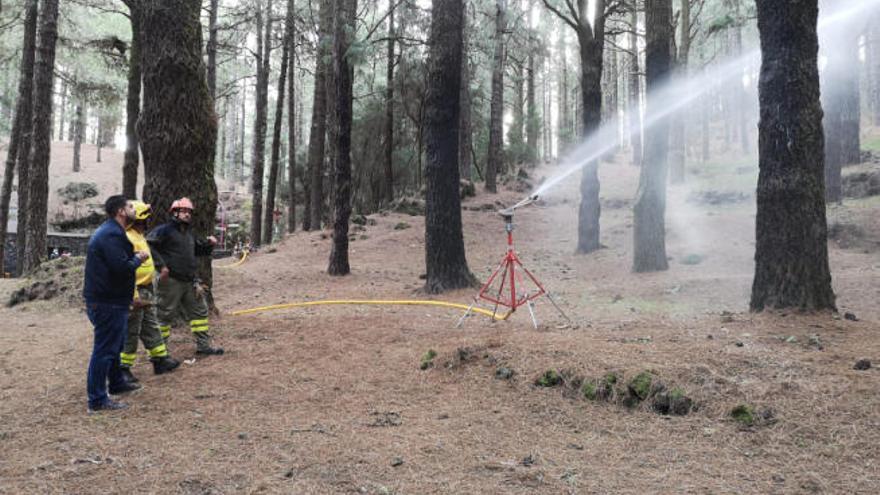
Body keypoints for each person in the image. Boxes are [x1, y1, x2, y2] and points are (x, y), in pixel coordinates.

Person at [83, 195, 149, 413]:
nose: (133, 209)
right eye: (130, 206)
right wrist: (139, 258)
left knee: (115, 346)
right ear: (121, 211)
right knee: (104, 350)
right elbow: (121, 268)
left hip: (112, 300)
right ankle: (97, 400)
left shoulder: (113, 231)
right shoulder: (111, 234)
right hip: (106, 303)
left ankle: (117, 383)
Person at [148, 197, 225, 355]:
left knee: (200, 312)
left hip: (189, 281)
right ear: (174, 213)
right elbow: (148, 245)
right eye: (183, 211)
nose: (187, 214)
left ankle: (203, 347)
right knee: (164, 315)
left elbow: (199, 251)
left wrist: (209, 245)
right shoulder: (164, 230)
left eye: (189, 212)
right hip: (170, 281)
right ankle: (159, 354)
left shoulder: (189, 234)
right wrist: (161, 266)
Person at [119, 201, 181, 383]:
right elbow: (124, 270)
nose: (147, 221)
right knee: (131, 330)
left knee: (151, 326)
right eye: (145, 218)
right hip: (135, 290)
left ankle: (160, 360)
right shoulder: (127, 237)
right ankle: (123, 368)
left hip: (146, 289)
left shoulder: (139, 236)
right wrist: (133, 295)